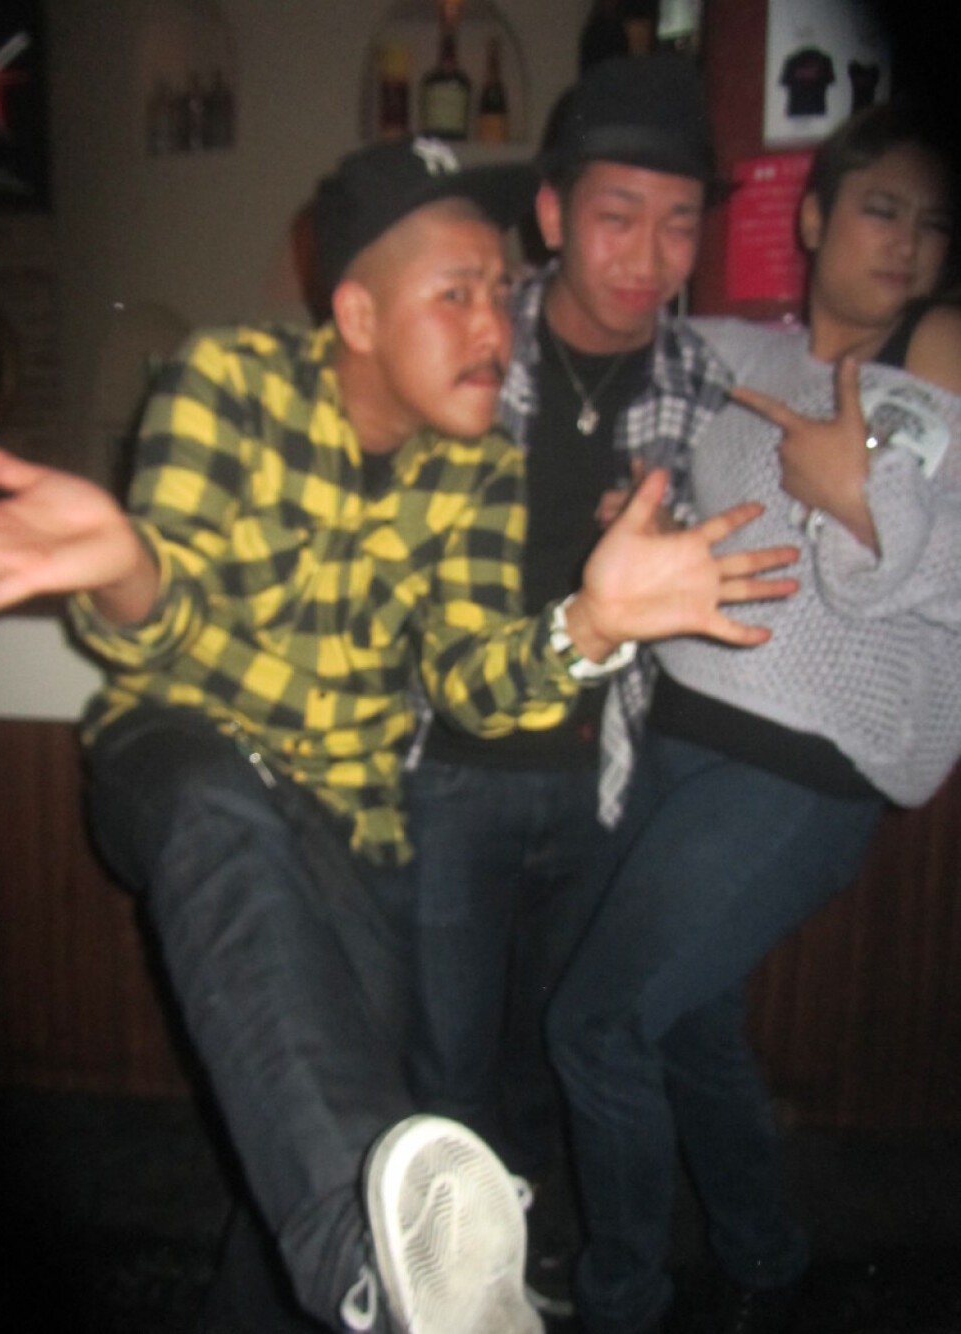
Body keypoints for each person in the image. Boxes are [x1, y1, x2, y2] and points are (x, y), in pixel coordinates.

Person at [0, 135, 799, 1334]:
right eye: (454, 293)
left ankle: (358, 1275)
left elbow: (465, 679)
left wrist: (586, 625)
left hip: (349, 817)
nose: (495, 326)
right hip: (179, 754)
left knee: (333, 1110)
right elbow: (165, 648)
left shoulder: (480, 469)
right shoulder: (226, 381)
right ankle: (365, 1253)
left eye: (499, 291)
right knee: (215, 802)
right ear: (357, 314)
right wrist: (132, 575)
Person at [547, 101, 961, 1334]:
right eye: (880, 209)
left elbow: (904, 565)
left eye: (933, 223)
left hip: (801, 770)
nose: (907, 242)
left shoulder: (934, 362)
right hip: (674, 733)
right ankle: (767, 1262)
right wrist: (647, 520)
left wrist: (858, 494)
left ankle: (621, 1300)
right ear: (815, 217)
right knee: (687, 1022)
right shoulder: (730, 354)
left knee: (597, 1022)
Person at [403, 54, 734, 1316]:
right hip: (449, 766)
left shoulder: (702, 376)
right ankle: (444, 1278)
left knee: (552, 1041)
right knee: (444, 1055)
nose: (648, 254)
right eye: (616, 215)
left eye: (679, 221)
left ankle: (528, 1254)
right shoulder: (470, 340)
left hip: (602, 773)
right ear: (551, 213)